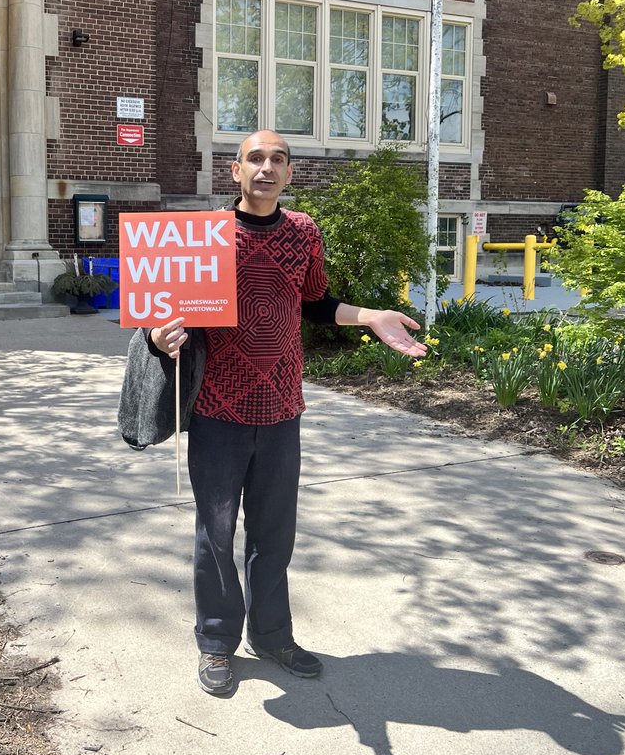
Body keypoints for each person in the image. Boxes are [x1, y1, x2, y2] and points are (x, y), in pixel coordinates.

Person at [148, 129, 428, 696]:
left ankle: (273, 635)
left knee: (274, 534)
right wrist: (159, 336)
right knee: (215, 533)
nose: (266, 168)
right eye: (255, 158)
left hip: (281, 410)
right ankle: (217, 641)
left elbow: (316, 303)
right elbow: (166, 312)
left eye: (277, 159)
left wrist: (370, 316)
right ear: (235, 170)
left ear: (289, 171)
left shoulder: (303, 232)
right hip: (218, 411)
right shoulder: (202, 237)